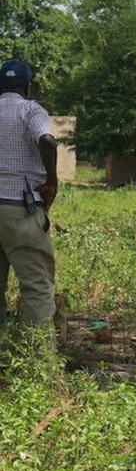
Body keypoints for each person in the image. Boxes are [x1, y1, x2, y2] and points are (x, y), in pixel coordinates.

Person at [0, 59, 58, 328]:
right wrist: (51, 180)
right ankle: (40, 349)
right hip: (20, 209)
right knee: (37, 284)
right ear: (27, 87)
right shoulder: (31, 110)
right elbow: (46, 140)